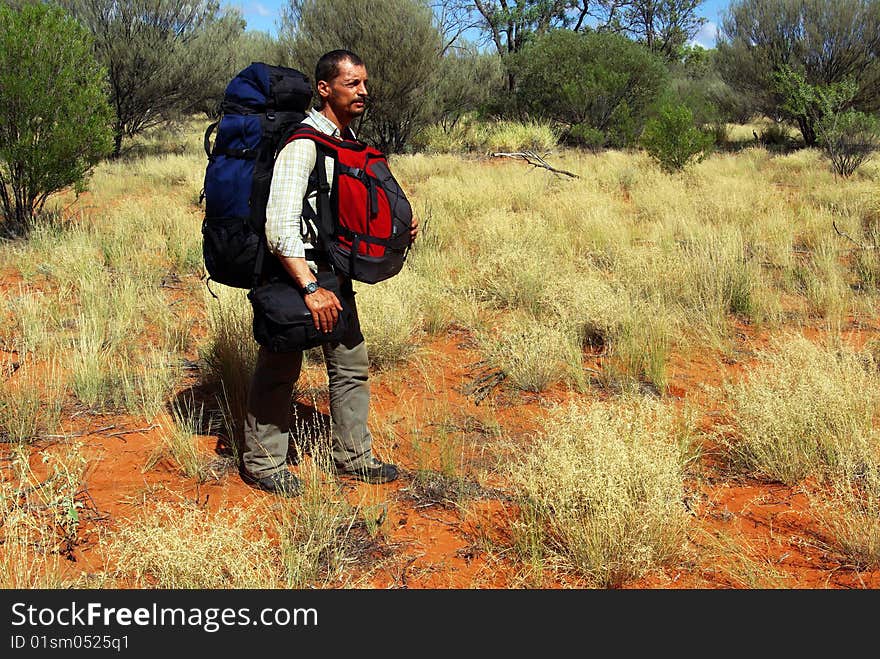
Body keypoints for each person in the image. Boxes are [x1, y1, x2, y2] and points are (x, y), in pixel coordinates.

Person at [240, 49, 418, 497]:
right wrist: (310, 287)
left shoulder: (346, 140)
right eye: (351, 83)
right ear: (325, 89)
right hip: (295, 273)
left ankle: (353, 458)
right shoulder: (303, 145)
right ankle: (263, 463)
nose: (363, 91)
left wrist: (396, 228)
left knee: (350, 364)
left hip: (333, 272)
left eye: (364, 83)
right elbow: (280, 226)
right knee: (281, 366)